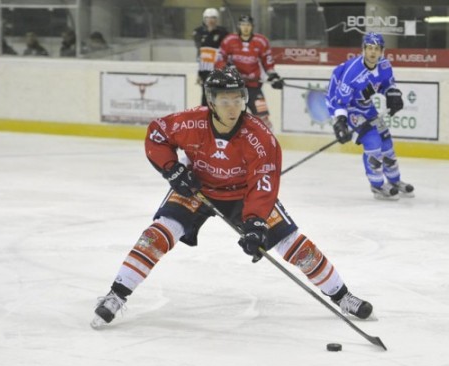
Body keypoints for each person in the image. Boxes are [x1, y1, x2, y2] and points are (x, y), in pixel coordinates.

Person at [92, 68, 373, 329]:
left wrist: (254, 224)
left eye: (237, 99)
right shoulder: (190, 122)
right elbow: (156, 135)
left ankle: (342, 295)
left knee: (294, 244)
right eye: (224, 100)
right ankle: (116, 295)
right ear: (211, 102)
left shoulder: (260, 138)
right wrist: (172, 168)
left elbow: (263, 186)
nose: (232, 107)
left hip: (244, 194)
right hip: (197, 189)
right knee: (157, 235)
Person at [325, 32, 413, 201]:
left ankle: (395, 181)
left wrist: (393, 95)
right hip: (352, 111)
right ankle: (377, 185)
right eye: (369, 48)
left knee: (386, 142)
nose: (373, 52)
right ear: (363, 50)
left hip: (368, 108)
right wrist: (340, 121)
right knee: (373, 142)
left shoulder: (385, 66)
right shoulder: (352, 72)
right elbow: (339, 102)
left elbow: (387, 85)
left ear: (382, 51)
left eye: (377, 49)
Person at [215, 15, 284, 129]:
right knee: (229, 119)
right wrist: (227, 68)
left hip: (254, 87)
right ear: (239, 26)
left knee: (263, 118)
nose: (245, 28)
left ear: (252, 27)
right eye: (243, 25)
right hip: (233, 88)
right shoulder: (229, 40)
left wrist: (273, 76)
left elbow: (268, 62)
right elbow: (219, 60)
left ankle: (267, 144)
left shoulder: (261, 41)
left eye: (248, 25)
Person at [192, 8, 229, 106]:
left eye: (213, 18)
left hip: (218, 68)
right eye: (208, 18)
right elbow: (200, 51)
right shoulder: (198, 32)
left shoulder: (223, 32)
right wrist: (198, 72)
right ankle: (205, 117)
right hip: (204, 68)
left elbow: (227, 50)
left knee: (218, 93)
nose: (210, 20)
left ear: (217, 19)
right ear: (204, 19)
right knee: (205, 94)